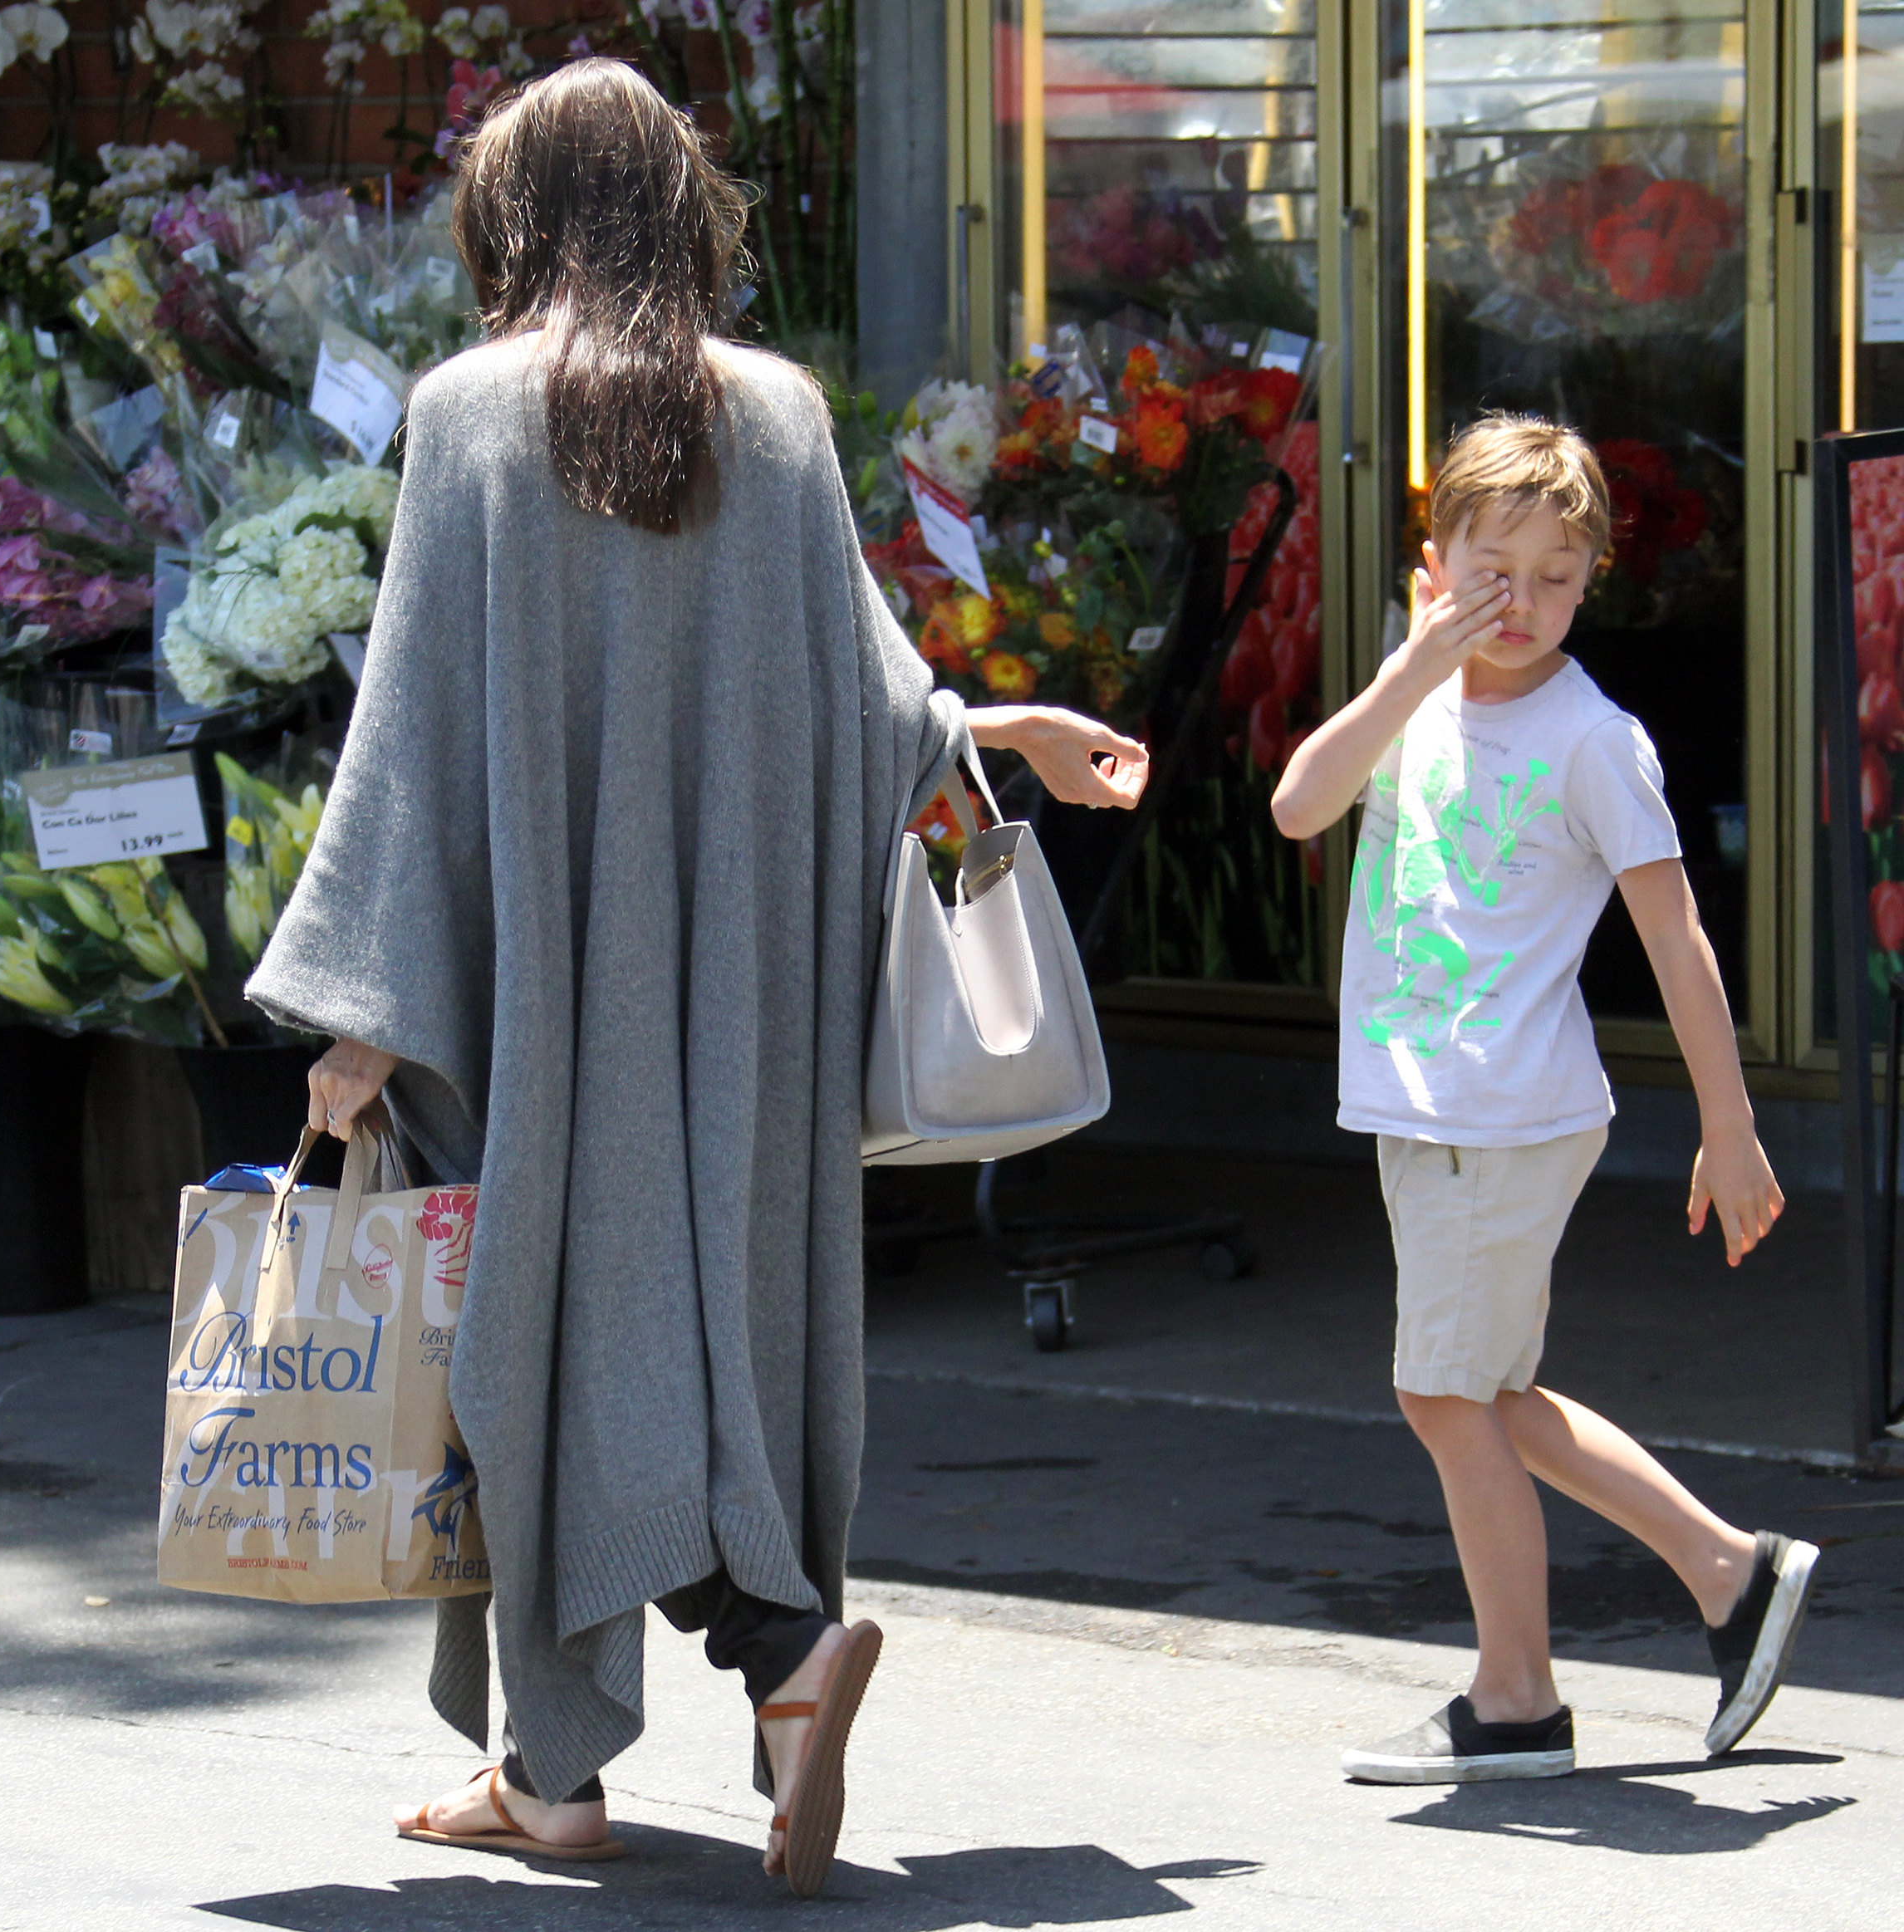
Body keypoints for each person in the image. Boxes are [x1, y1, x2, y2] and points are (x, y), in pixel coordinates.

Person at [247, 60, 1148, 1895]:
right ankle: (671, 1707)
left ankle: (657, 1717)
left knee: (531, 1340)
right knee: (696, 1333)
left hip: (538, 995)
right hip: (738, 1001)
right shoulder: (789, 417)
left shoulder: (471, 412)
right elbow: (867, 694)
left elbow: (410, 734)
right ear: (677, 207)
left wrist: (360, 1011)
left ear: (524, 220)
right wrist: (1001, 730)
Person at [1269, 413, 1818, 1784]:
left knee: (1444, 1395)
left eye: (1556, 577)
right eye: (1489, 567)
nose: (1518, 604)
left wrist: (1732, 1122)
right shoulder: (1417, 700)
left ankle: (1516, 1702)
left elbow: (1678, 935)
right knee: (1490, 1390)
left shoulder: (1593, 737)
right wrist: (1404, 670)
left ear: (1593, 582)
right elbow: (1297, 804)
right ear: (1435, 561)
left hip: (1499, 1117)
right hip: (1435, 1114)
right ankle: (1729, 1570)